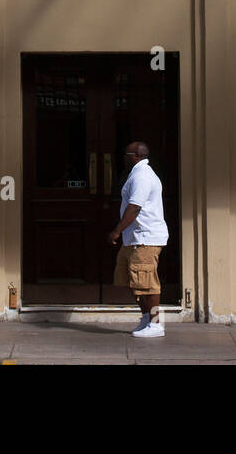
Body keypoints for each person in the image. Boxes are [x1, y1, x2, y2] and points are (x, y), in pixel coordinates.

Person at [107, 141, 169, 338]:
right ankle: (145, 318)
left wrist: (116, 231)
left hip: (145, 238)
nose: (124, 157)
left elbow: (134, 207)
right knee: (133, 280)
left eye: (126, 154)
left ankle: (156, 323)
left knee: (148, 282)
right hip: (134, 238)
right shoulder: (136, 174)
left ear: (136, 156)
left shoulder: (142, 176)